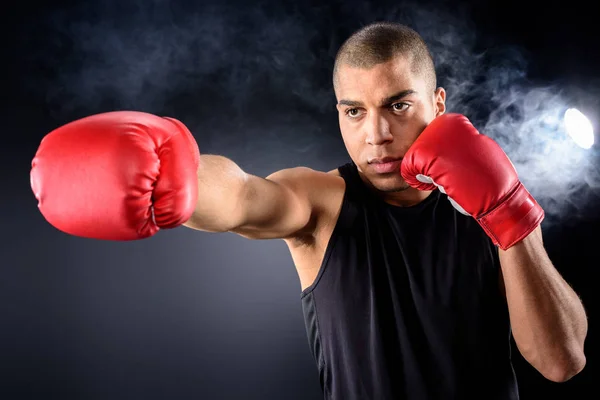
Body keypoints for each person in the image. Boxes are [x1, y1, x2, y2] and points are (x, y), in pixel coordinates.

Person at [30, 22, 588, 400]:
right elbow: (247, 196)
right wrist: (180, 177)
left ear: (438, 104)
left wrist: (512, 216)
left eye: (398, 105)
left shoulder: (493, 204)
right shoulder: (322, 200)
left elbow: (560, 362)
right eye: (354, 111)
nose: (377, 135)